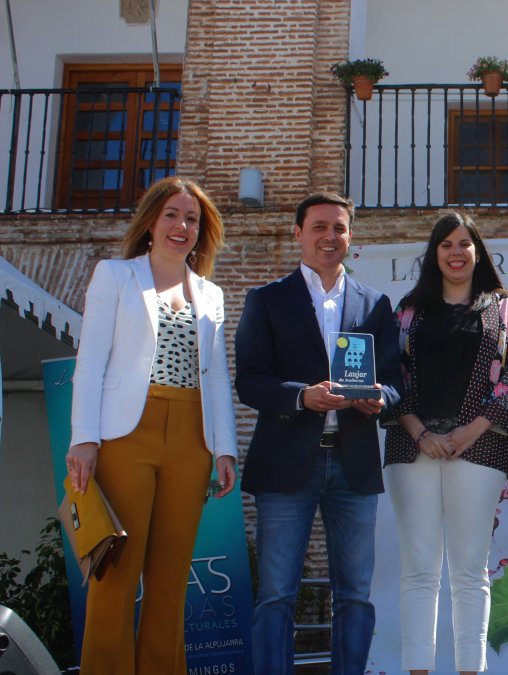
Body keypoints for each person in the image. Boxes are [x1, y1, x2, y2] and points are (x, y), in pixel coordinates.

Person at [65, 177, 238, 675]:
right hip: (125, 435)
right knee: (115, 574)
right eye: (172, 215)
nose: (181, 226)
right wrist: (84, 439)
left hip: (191, 437)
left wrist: (223, 449)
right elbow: (92, 359)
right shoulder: (115, 276)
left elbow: (218, 376)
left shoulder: (211, 294)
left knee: (170, 576)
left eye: (192, 219)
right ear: (150, 223)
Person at [235, 192, 402, 675]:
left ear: (350, 236)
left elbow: (395, 381)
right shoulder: (267, 300)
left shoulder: (375, 303)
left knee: (355, 595)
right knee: (276, 596)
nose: (330, 237)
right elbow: (250, 380)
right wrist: (302, 396)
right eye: (319, 227)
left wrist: (379, 400)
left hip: (354, 463)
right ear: (298, 233)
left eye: (340, 228)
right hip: (286, 463)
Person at [381, 212, 508, 674]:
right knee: (419, 569)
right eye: (446, 244)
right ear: (434, 253)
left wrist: (469, 430)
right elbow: (388, 378)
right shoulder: (407, 311)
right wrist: (419, 432)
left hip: (478, 449)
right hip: (412, 449)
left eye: (465, 243)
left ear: (478, 250)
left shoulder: (505, 309)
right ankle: (418, 669)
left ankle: (471, 669)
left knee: (470, 571)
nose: (456, 252)